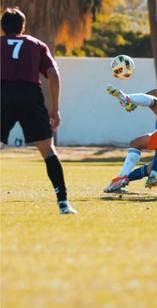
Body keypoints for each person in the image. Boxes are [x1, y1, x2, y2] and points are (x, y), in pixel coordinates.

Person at [1, 7, 77, 214]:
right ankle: (63, 203)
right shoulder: (36, 44)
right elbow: (53, 75)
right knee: (48, 151)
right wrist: (55, 108)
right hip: (30, 95)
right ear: (23, 26)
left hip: (3, 93)